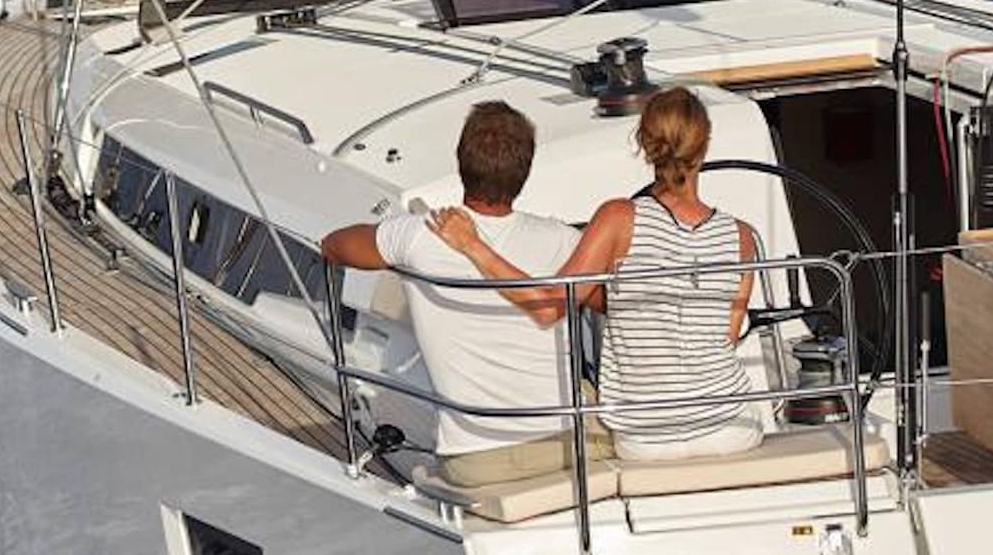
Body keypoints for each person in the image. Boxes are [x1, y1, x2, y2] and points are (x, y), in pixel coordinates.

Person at [428, 86, 763, 462]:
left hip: (648, 439)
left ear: (643, 142)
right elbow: (725, 338)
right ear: (705, 146)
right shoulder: (741, 236)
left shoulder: (618, 218)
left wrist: (473, 245)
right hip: (732, 428)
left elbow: (548, 308)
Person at [320, 101, 613, 486]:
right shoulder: (562, 241)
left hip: (476, 461)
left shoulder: (417, 236)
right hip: (572, 447)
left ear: (461, 162)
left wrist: (403, 259)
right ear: (525, 172)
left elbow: (334, 246)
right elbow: (610, 304)